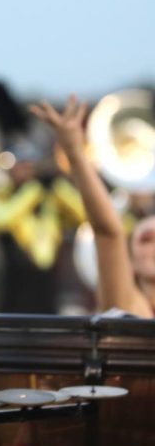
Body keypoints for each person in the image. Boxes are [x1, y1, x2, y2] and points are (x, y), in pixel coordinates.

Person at [32, 96, 155, 318]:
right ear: (131, 261)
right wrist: (74, 153)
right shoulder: (125, 304)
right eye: (146, 239)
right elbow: (108, 232)